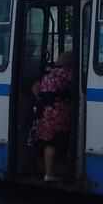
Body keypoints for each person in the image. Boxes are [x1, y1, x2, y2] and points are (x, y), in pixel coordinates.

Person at [35, 51, 75, 182]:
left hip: (46, 111)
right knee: (56, 142)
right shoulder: (67, 74)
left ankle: (47, 172)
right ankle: (52, 172)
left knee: (48, 142)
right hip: (59, 112)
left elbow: (36, 88)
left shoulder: (49, 73)